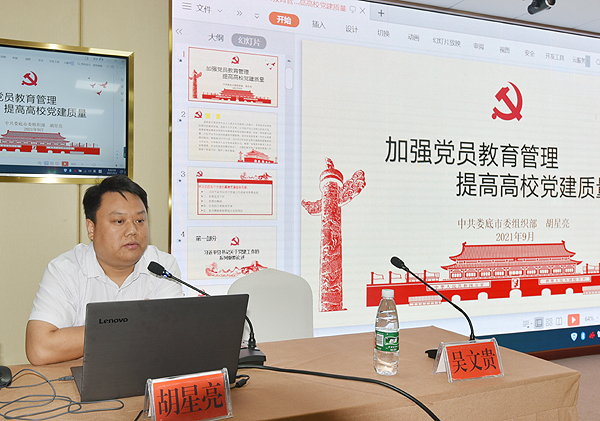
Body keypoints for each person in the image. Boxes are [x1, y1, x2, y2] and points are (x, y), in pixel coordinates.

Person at [26, 175, 183, 365]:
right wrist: (131, 322)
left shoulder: (163, 267)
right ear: (91, 228)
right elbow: (40, 349)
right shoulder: (65, 270)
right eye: (119, 221)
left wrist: (103, 331)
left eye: (140, 220)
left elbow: (173, 340)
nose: (132, 231)